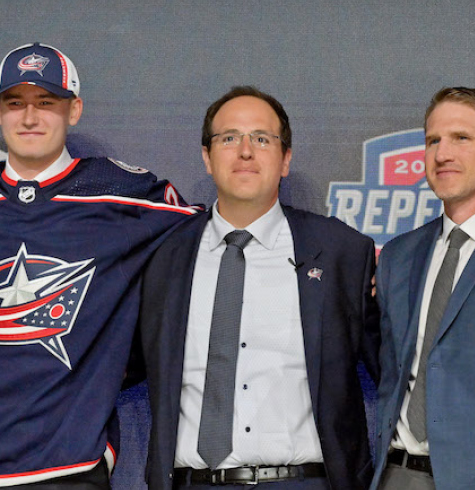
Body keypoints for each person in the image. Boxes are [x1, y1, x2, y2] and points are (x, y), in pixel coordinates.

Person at [0, 42, 199, 489]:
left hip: (68, 465)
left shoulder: (123, 194)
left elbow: (215, 240)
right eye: (16, 103)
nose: (30, 117)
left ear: (75, 110)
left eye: (47, 103)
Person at [140, 86, 380, 489]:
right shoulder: (162, 255)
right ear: (207, 157)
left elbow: (394, 367)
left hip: (304, 482)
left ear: (285, 159)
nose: (246, 151)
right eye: (229, 138)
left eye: (262, 139)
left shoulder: (342, 252)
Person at [371, 87, 475, 490]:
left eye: (461, 138)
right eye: (433, 140)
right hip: (397, 474)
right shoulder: (399, 254)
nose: (442, 154)